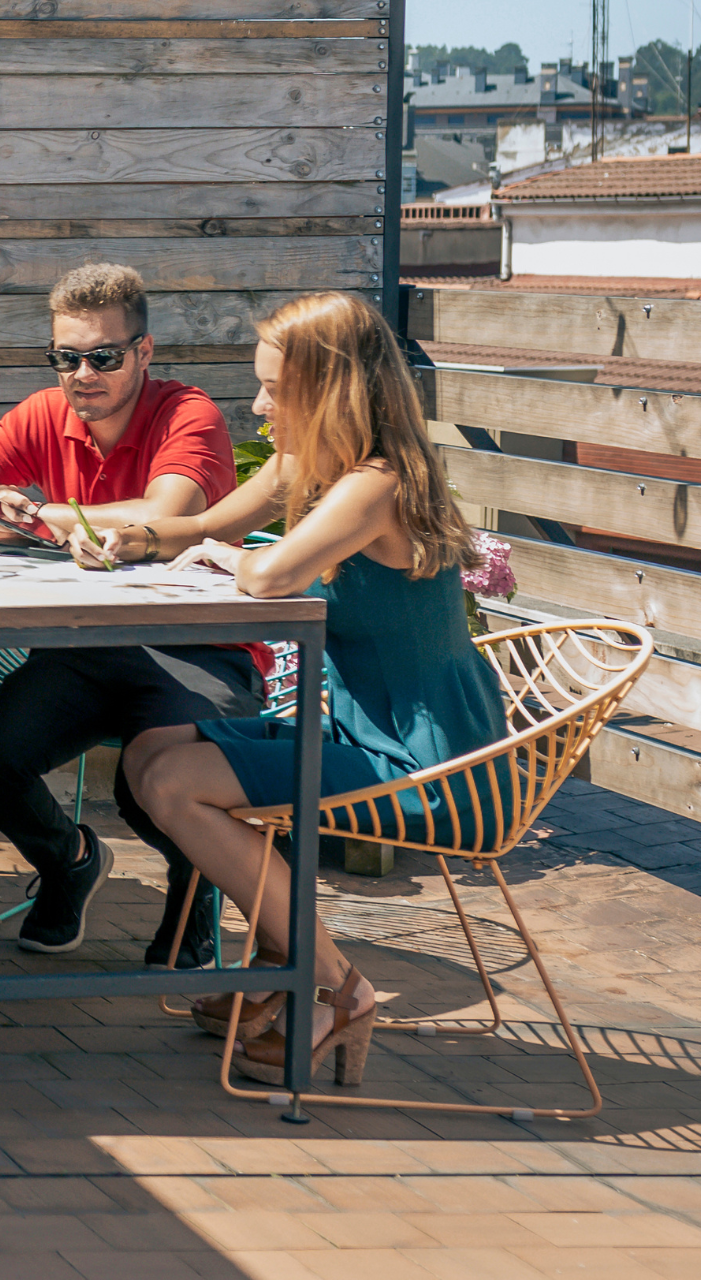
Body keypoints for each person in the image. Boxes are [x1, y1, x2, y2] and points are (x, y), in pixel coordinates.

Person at [108, 291, 509, 1087]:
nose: (257, 406)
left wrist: (236, 557)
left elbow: (268, 570)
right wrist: (124, 534)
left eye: (272, 390)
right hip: (369, 738)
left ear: (328, 392)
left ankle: (336, 984)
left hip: (428, 764)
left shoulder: (374, 484)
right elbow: (214, 524)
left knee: (177, 786)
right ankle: (279, 973)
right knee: (151, 752)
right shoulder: (321, 469)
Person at [0, 264, 270, 962]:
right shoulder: (44, 413)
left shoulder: (186, 413)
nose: (83, 374)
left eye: (103, 357)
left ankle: (192, 884)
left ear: (143, 352)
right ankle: (70, 859)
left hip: (198, 649)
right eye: (66, 357)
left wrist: (38, 513)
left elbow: (166, 514)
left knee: (150, 785)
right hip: (86, 646)